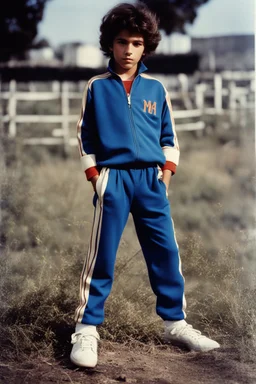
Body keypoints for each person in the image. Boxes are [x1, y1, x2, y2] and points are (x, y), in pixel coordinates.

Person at [70, 2, 220, 368]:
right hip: (113, 179)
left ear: (146, 46)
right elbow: (84, 137)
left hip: (151, 181)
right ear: (111, 44)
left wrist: (166, 174)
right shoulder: (97, 88)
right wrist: (96, 178)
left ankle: (176, 323)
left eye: (136, 43)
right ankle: (87, 329)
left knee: (165, 251)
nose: (128, 51)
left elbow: (169, 137)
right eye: (122, 42)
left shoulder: (155, 89)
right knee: (102, 256)